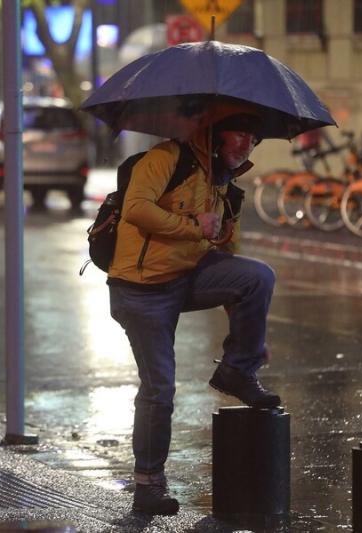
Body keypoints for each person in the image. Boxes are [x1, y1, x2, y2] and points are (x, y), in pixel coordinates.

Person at [108, 111, 281, 516]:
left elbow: (227, 254)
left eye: (254, 139)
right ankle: (148, 485)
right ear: (217, 134)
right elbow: (136, 208)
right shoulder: (166, 159)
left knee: (258, 277)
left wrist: (249, 337)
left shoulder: (226, 186)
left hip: (187, 276)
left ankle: (237, 372)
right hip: (141, 287)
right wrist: (193, 226)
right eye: (240, 134)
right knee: (159, 388)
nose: (247, 145)